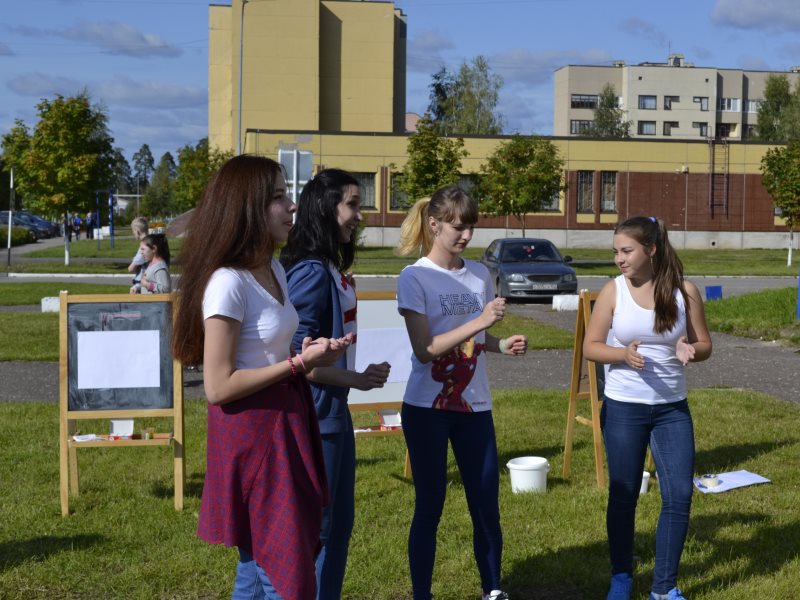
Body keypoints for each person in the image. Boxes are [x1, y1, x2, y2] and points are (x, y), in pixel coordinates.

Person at [172, 155, 352, 600]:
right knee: (286, 572)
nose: (291, 206)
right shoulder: (226, 284)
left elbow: (276, 348)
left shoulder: (273, 269)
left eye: (286, 194)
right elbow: (218, 386)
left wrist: (312, 357)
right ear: (247, 207)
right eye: (277, 197)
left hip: (286, 421)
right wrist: (297, 365)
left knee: (257, 566)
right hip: (253, 437)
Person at [394, 186, 528, 600]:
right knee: (430, 507)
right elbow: (426, 347)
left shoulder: (480, 275)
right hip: (426, 408)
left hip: (475, 406)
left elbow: (474, 340)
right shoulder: (414, 277)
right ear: (433, 224)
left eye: (471, 226)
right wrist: (481, 320)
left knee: (486, 505)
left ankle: (492, 590)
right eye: (457, 226)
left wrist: (499, 344)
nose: (466, 234)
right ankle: (422, 594)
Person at [583, 216, 712, 600]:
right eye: (616, 252)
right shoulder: (613, 292)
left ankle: (664, 587)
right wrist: (621, 354)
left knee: (679, 497)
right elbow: (591, 347)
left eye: (626, 251)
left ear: (650, 250)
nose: (619, 259)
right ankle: (621, 576)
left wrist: (691, 349)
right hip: (624, 408)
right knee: (623, 494)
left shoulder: (684, 291)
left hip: (671, 410)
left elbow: (705, 344)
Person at [280, 168, 391, 600]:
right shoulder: (310, 273)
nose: (359, 216)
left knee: (338, 530)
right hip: (317, 419)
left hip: (334, 414)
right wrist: (357, 380)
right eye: (353, 205)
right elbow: (296, 361)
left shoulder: (326, 267)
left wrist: (354, 382)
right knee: (321, 534)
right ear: (327, 209)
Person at [128, 217, 149, 288]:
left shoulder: (144, 245)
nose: (133, 233)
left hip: (141, 282)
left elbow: (131, 268)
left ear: (137, 231)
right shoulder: (151, 241)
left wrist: (131, 266)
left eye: (133, 231)